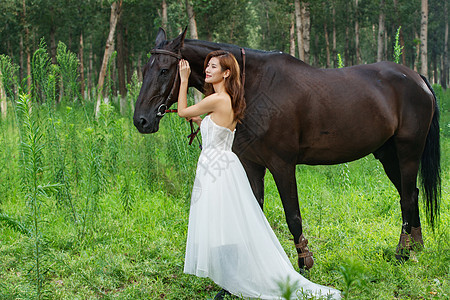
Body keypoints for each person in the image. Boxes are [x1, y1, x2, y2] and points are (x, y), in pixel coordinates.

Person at [177, 50, 341, 300]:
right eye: (207, 66)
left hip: (216, 167)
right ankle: (230, 275)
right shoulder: (228, 99)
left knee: (222, 224)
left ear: (226, 72)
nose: (207, 70)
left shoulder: (217, 100)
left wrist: (184, 78)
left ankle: (233, 278)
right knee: (226, 223)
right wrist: (203, 122)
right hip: (222, 163)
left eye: (212, 67)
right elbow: (217, 128)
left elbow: (181, 111)